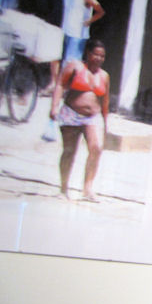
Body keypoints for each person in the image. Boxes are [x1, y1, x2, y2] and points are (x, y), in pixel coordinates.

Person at [49, 38, 110, 201]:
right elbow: (60, 85)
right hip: (71, 113)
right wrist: (54, 106)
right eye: (96, 54)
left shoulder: (104, 76)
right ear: (88, 53)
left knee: (96, 148)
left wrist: (106, 123)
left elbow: (105, 101)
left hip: (93, 117)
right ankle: (63, 189)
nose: (99, 58)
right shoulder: (74, 66)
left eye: (102, 56)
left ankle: (87, 189)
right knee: (69, 151)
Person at [45, 0, 104, 94]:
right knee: (54, 57)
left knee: (70, 63)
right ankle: (54, 83)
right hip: (65, 30)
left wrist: (89, 21)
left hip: (77, 35)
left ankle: (64, 88)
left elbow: (100, 11)